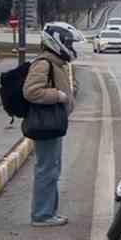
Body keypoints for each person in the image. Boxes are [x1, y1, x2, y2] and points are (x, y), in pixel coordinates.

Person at [24, 29, 77, 227]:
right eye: (67, 42)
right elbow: (31, 92)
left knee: (52, 168)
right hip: (46, 124)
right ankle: (42, 215)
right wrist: (59, 96)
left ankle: (48, 212)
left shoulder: (56, 63)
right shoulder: (44, 64)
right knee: (47, 168)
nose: (70, 47)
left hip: (54, 124)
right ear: (55, 43)